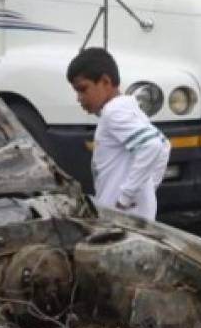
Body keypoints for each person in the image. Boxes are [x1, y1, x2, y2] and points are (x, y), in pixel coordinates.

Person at [66, 47, 170, 221]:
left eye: (83, 89)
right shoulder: (128, 107)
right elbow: (164, 145)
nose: (79, 98)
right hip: (133, 217)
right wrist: (147, 189)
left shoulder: (113, 112)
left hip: (121, 220)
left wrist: (125, 199)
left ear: (106, 82)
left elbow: (153, 145)